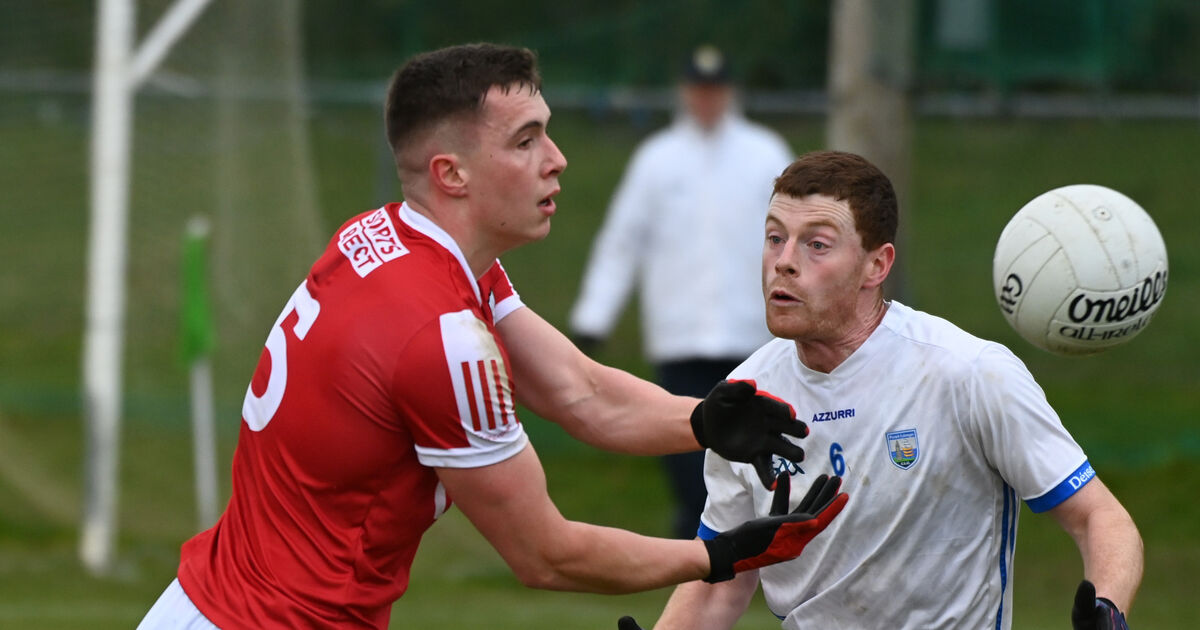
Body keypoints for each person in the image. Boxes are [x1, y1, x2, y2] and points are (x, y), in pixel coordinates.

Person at [136, 44, 849, 630]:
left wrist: (700, 421)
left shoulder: (392, 238)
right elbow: (547, 555)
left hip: (212, 606)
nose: (557, 158)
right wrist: (718, 558)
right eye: (526, 140)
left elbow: (577, 390)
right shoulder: (441, 336)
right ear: (452, 174)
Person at [621, 151, 1143, 630]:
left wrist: (1108, 609)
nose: (784, 261)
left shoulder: (968, 373)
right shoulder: (742, 401)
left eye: (817, 244)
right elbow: (723, 580)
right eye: (775, 237)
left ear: (878, 265)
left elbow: (1099, 517)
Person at [570, 44, 794, 539]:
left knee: (756, 445)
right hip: (679, 333)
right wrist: (594, 316)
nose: (707, 100)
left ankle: (757, 547)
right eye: (698, 90)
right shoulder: (657, 159)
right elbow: (622, 241)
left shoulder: (766, 153)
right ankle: (699, 546)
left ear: (729, 93)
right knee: (683, 442)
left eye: (715, 90)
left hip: (750, 334)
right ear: (684, 93)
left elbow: (797, 233)